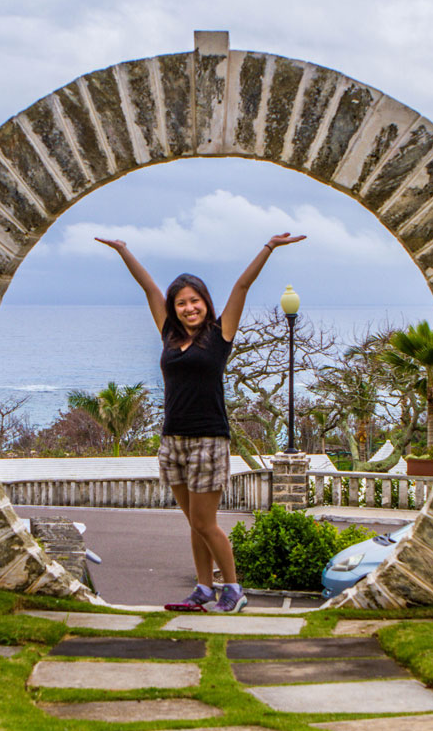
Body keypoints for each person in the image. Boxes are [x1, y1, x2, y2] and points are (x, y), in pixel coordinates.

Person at [96, 232, 306, 612]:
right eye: (181, 303)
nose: (188, 308)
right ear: (174, 309)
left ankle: (234, 589)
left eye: (194, 301)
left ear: (205, 303)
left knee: (206, 523)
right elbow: (148, 287)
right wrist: (124, 250)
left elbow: (243, 284)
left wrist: (269, 247)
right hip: (172, 442)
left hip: (209, 440)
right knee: (193, 523)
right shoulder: (168, 335)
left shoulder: (219, 335)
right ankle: (203, 589)